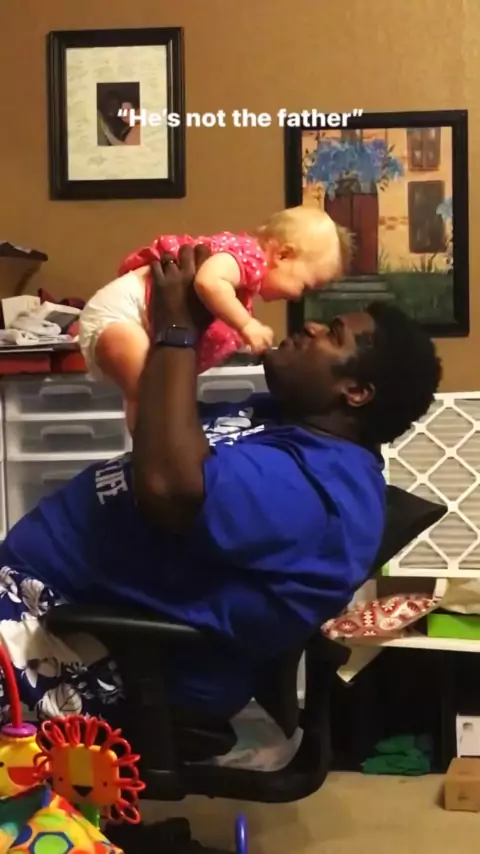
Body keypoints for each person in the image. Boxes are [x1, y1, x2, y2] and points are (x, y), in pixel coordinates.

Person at [0, 244, 441, 723]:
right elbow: (159, 430)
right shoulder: (283, 419)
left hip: (82, 646)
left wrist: (177, 331)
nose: (311, 326)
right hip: (38, 591)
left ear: (355, 392)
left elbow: (167, 486)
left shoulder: (319, 489)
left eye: (332, 335)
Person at [79, 206, 350, 432]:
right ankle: (150, 453)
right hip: (121, 314)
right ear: (283, 255)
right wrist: (246, 325)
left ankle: (147, 452)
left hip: (133, 320)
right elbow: (208, 282)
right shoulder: (248, 256)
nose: (298, 297)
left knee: (152, 399)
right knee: (154, 397)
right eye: (305, 287)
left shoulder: (243, 280)